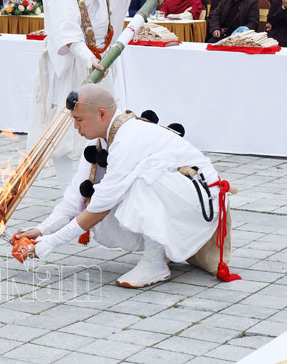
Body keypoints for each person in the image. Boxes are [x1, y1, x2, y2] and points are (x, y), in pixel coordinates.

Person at [13, 84, 225, 288]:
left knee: (142, 180)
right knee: (119, 188)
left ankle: (155, 263)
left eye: (79, 119)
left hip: (202, 204)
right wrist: (42, 230)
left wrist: (51, 243)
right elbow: (75, 196)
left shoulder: (128, 138)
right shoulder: (99, 140)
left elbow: (101, 205)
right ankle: (163, 250)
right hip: (180, 198)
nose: (75, 127)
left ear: (102, 114)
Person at [28, 0, 164, 185]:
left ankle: (102, 180)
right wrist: (86, 57)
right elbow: (65, 25)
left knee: (106, 119)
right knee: (70, 125)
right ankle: (70, 187)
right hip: (76, 60)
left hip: (103, 56)